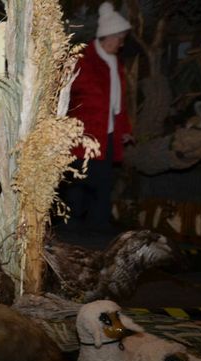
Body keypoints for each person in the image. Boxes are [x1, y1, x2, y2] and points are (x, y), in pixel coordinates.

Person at [64, 1, 133, 232]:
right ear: (108, 36)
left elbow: (119, 103)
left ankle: (99, 226)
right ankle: (71, 224)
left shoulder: (116, 63)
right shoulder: (83, 60)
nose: (122, 44)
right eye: (120, 38)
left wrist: (124, 130)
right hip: (83, 133)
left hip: (108, 133)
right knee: (79, 179)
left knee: (103, 181)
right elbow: (65, 95)